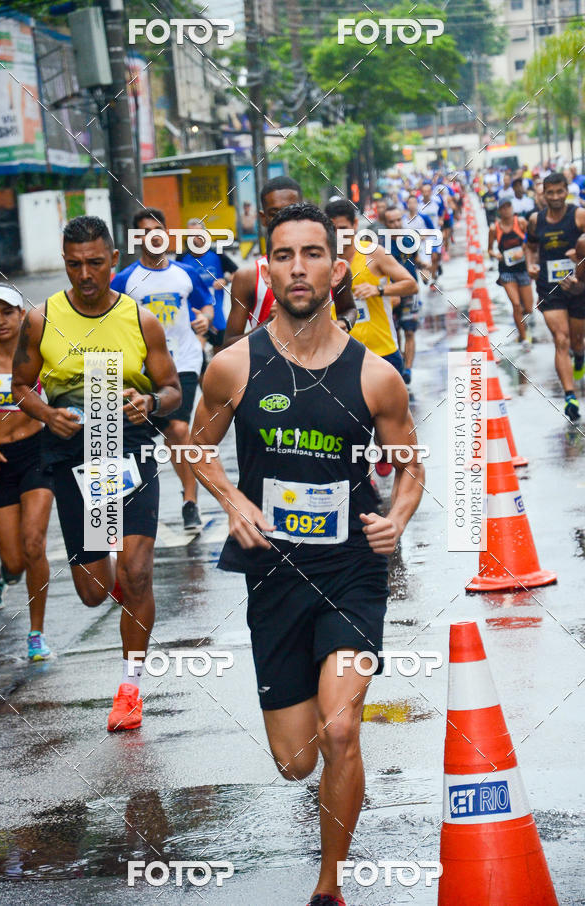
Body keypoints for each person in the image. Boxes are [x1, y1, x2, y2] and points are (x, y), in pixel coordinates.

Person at [190, 203, 424, 906]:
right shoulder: (233, 368)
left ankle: (330, 886)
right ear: (269, 267)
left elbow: (409, 465)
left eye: (313, 254)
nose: (299, 268)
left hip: (352, 567)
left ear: (335, 266)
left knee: (343, 727)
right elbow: (197, 448)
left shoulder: (375, 376)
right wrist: (234, 503)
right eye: (285, 256)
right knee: (295, 759)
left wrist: (398, 519)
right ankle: (322, 786)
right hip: (274, 571)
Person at [11, 215, 182, 730]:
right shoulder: (41, 320)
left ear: (113, 260)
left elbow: (174, 390)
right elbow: (19, 385)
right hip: (73, 454)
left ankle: (130, 690)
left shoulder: (139, 318)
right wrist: (47, 414)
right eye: (73, 264)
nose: (84, 274)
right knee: (92, 592)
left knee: (136, 570)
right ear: (65, 263)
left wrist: (148, 401)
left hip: (127, 449)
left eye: (95, 262)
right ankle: (117, 583)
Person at [111, 208, 214, 531]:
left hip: (182, 362)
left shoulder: (185, 273)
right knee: (148, 436)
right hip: (141, 369)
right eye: (144, 231)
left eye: (157, 229)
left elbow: (207, 303)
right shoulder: (124, 280)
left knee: (178, 430)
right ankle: (124, 512)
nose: (152, 236)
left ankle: (190, 501)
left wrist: (205, 319)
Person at [0, 285, 53, 654]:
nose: (0, 321)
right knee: (13, 559)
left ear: (21, 315)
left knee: (33, 543)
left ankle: (36, 633)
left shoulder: (39, 356)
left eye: (7, 313)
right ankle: (4, 576)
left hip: (36, 454)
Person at [224, 177, 357, 345]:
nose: (285, 218)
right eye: (275, 213)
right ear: (263, 218)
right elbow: (228, 345)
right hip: (269, 370)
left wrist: (344, 323)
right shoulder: (249, 277)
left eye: (291, 210)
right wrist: (270, 324)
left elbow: (349, 309)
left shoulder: (334, 268)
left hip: (325, 367)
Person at [325, 198, 418, 377]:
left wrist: (378, 290)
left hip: (382, 353)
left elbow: (411, 285)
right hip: (343, 356)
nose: (337, 235)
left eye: (343, 229)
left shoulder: (373, 252)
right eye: (332, 229)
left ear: (355, 225)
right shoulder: (323, 261)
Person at [526, 172, 585, 421]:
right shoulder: (535, 220)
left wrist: (578, 257)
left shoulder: (579, 215)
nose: (555, 197)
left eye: (560, 191)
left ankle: (580, 355)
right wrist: (530, 264)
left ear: (566, 190)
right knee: (560, 340)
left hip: (578, 286)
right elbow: (530, 247)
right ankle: (570, 396)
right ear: (543, 194)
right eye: (550, 192)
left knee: (575, 341)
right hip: (549, 287)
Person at [177, 217, 239, 352]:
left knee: (221, 352)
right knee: (197, 352)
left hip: (216, 314)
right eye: (191, 235)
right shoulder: (181, 258)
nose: (195, 239)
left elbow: (237, 273)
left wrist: (225, 280)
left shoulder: (217, 254)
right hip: (193, 315)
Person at [382, 205, 425, 383]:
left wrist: (424, 268)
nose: (396, 224)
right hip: (390, 294)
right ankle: (398, 369)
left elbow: (415, 260)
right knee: (395, 333)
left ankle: (407, 370)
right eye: (391, 221)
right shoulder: (381, 244)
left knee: (409, 331)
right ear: (386, 223)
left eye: (398, 220)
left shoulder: (410, 239)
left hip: (410, 292)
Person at [488, 199, 533, 349]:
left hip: (522, 269)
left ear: (512, 208)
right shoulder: (495, 228)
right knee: (515, 305)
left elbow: (530, 240)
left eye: (508, 207)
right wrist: (496, 255)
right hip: (506, 271)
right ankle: (524, 338)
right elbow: (489, 250)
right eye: (503, 208)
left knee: (528, 308)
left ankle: (522, 321)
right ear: (499, 211)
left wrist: (524, 248)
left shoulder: (520, 222)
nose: (506, 210)